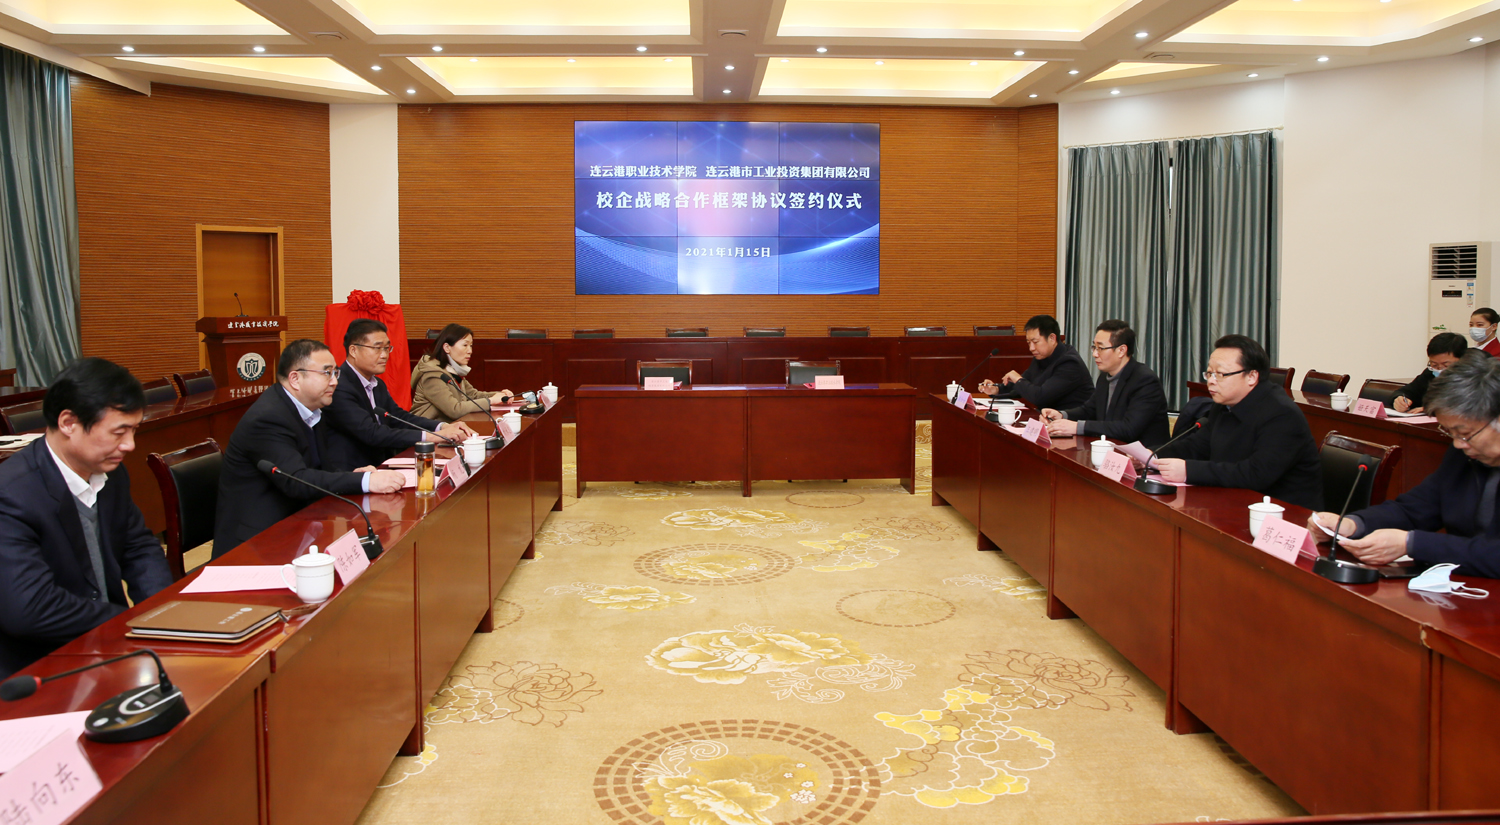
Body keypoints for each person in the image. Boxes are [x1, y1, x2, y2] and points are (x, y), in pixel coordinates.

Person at [0, 358, 172, 678]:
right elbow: (30, 610)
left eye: (134, 430)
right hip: (38, 669)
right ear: (68, 422)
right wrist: (124, 623)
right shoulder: (11, 494)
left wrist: (160, 616)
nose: (130, 445)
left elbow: (138, 547)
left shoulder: (110, 473)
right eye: (119, 432)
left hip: (107, 650)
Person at [1307, 351, 1500, 577]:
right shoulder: (1464, 455)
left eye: (1465, 433)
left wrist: (1412, 544)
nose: (1458, 444)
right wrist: (1354, 524)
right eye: (1450, 432)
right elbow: (1414, 509)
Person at [213, 339, 408, 557]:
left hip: (300, 526)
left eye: (335, 373)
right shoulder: (268, 418)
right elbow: (296, 480)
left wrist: (353, 475)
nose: (334, 381)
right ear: (295, 379)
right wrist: (365, 481)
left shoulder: (312, 410)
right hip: (256, 545)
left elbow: (320, 468)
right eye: (326, 373)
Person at [1153, 334, 1324, 510]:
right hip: (1236, 501)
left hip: (1285, 513)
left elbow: (1257, 474)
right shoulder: (1224, 404)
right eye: (1209, 373)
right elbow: (1197, 446)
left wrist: (1189, 471)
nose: (1211, 381)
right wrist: (1152, 456)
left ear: (1251, 376)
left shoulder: (1282, 415)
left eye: (1220, 374)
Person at [325, 318, 474, 471]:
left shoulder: (377, 384)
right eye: (377, 348)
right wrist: (434, 436)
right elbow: (370, 433)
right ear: (353, 351)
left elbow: (398, 417)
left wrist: (442, 426)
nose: (384, 355)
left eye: (387, 348)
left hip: (382, 463)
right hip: (353, 470)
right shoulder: (339, 386)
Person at [1040, 320, 1170, 448]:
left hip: (1144, 455)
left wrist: (1077, 427)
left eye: (1100, 348)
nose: (1095, 354)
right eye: (1094, 347)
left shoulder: (1145, 380)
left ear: (1121, 350)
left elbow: (1129, 428)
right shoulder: (1104, 377)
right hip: (1111, 449)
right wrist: (1062, 415)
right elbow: (1089, 409)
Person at [976, 314, 1092, 409]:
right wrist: (996, 390)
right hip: (1050, 420)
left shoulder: (1069, 363)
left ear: (1052, 338)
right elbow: (1024, 387)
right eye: (1028, 343)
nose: (1031, 348)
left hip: (1072, 424)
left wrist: (1018, 379)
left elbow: (1040, 397)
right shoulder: (1041, 356)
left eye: (1035, 342)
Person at [410, 323, 513, 423]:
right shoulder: (431, 375)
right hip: (426, 430)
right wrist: (490, 401)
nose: (470, 351)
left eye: (471, 346)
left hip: (448, 427)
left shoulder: (451, 370)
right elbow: (454, 410)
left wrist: (499, 395)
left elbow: (473, 395)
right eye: (465, 345)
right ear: (447, 348)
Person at [1392, 332, 1468, 413]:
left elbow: (1467, 407)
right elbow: (1404, 392)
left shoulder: (1472, 378)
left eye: (1446, 365)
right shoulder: (1430, 374)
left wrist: (1433, 410)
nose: (1439, 369)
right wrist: (1399, 400)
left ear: (1462, 360)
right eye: (1434, 364)